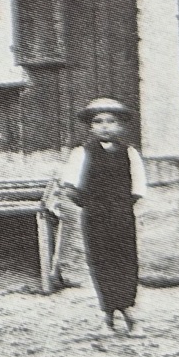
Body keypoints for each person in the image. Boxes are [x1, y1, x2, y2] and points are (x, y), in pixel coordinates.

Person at [57, 98, 146, 335]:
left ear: (121, 126)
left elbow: (137, 188)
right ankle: (107, 315)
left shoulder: (130, 153)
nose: (105, 126)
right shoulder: (81, 153)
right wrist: (91, 204)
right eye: (98, 122)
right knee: (100, 261)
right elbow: (69, 186)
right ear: (90, 126)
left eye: (111, 121)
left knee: (125, 260)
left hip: (122, 214)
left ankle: (128, 311)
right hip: (95, 215)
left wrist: (119, 206)